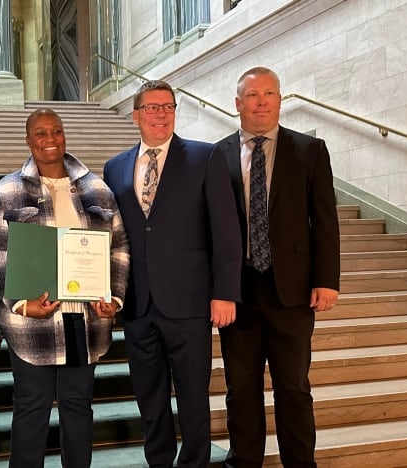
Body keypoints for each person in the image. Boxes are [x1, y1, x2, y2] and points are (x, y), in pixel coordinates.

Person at [103, 80, 242, 468]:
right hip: (138, 302)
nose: (160, 114)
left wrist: (225, 292)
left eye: (167, 107)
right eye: (151, 107)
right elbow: (113, 236)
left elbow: (226, 229)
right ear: (135, 115)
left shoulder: (204, 156)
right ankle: (159, 461)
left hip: (191, 300)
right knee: (149, 394)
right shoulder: (115, 167)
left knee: (193, 394)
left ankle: (195, 462)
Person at [0, 109, 129, 468]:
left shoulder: (98, 188)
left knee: (78, 407)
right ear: (28, 140)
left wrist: (115, 296)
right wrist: (20, 304)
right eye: (41, 133)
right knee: (31, 407)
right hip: (32, 322)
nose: (50, 139)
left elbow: (119, 247)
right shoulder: (8, 190)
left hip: (84, 317)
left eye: (57, 131)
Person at [216, 66, 340, 468]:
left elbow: (324, 220)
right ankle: (244, 462)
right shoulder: (216, 155)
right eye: (253, 95)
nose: (262, 101)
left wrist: (326, 280)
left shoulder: (309, 150)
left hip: (293, 292)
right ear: (238, 104)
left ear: (280, 99)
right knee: (241, 389)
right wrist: (216, 287)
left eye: (270, 93)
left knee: (293, 388)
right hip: (238, 293)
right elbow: (210, 228)